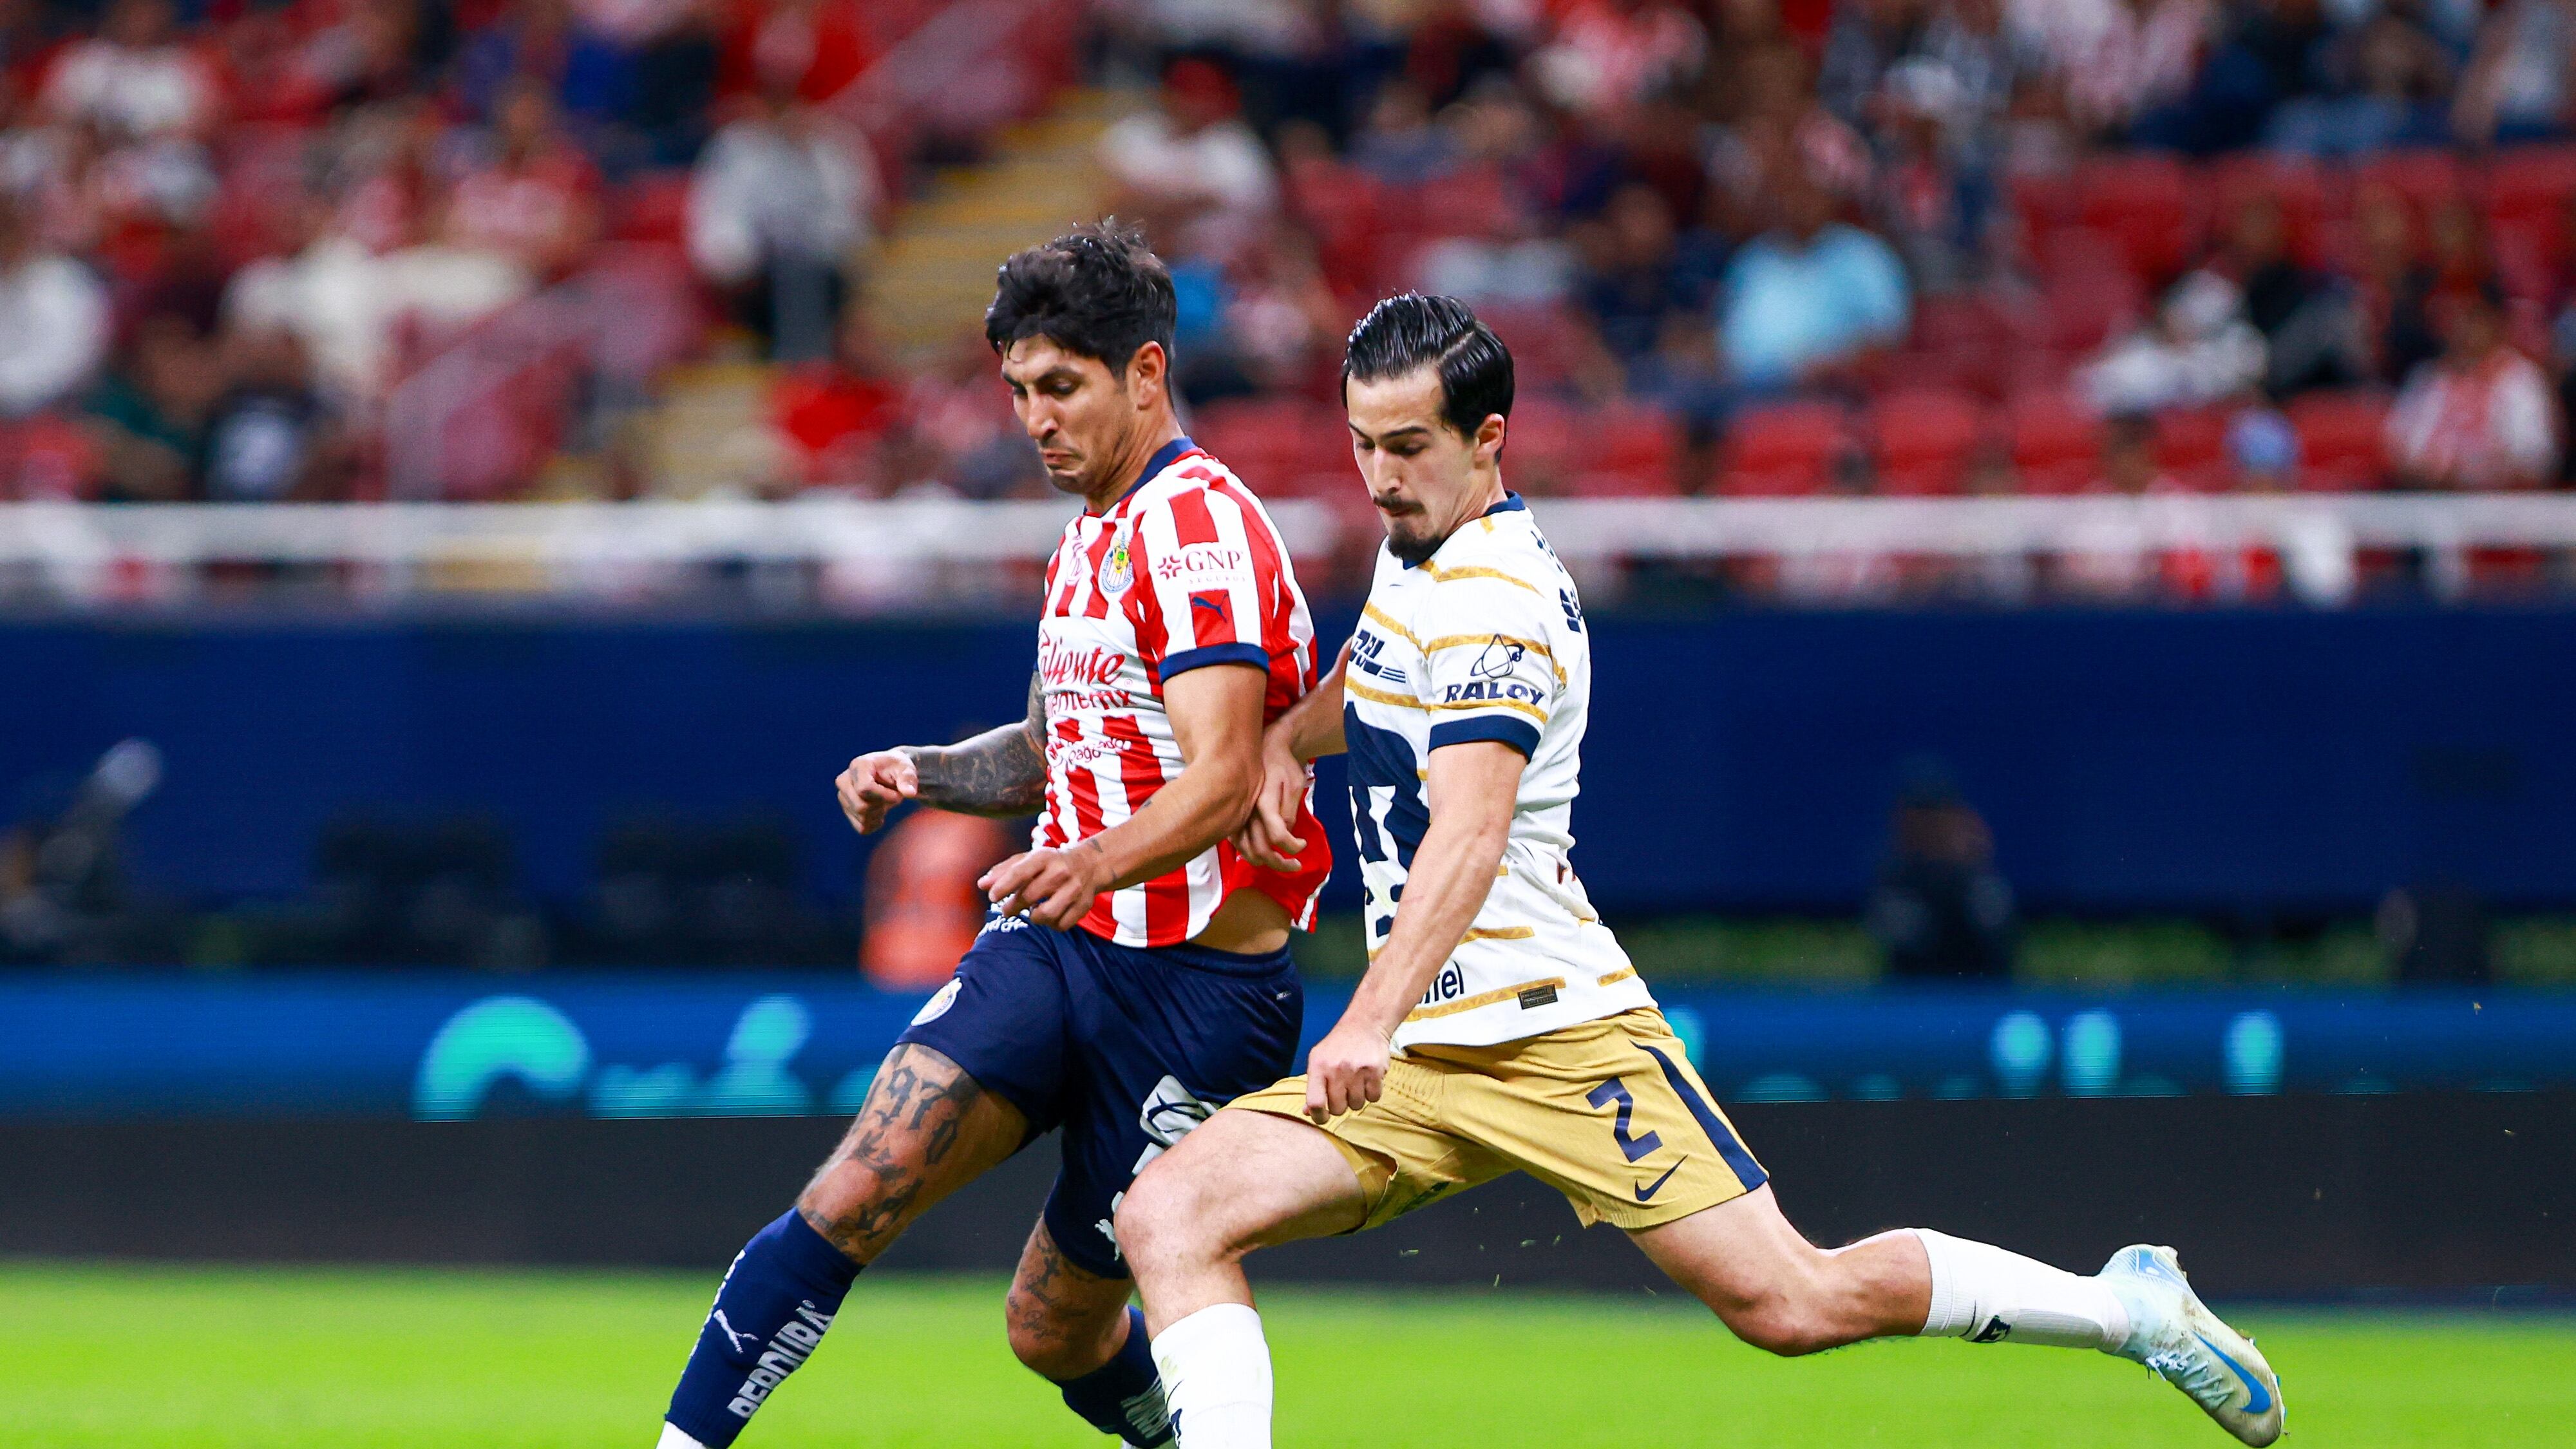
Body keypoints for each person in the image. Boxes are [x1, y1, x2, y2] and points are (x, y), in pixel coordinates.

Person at [1111, 293, 2286, 1449]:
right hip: (1423, 1049)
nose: (1379, 474)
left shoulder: (1493, 597)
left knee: (1794, 1301)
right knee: (1171, 1211)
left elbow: (1469, 832)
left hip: (1550, 1033)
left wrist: (1364, 1018)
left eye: (1408, 446)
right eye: (1362, 444)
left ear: (1489, 440)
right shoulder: (1416, 546)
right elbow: (1374, 676)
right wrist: (1282, 740)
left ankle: (2126, 1306)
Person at [652, 223, 1332, 1449]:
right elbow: (1048, 748)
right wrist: (926, 771)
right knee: (859, 1183)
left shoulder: (1197, 529)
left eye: (1060, 386)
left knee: (1050, 1329)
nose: (1035, 419)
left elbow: (1229, 774)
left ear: (1145, 372)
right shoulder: (1087, 536)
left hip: (1198, 989)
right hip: (1058, 948)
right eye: (1018, 390)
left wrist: (1089, 859)